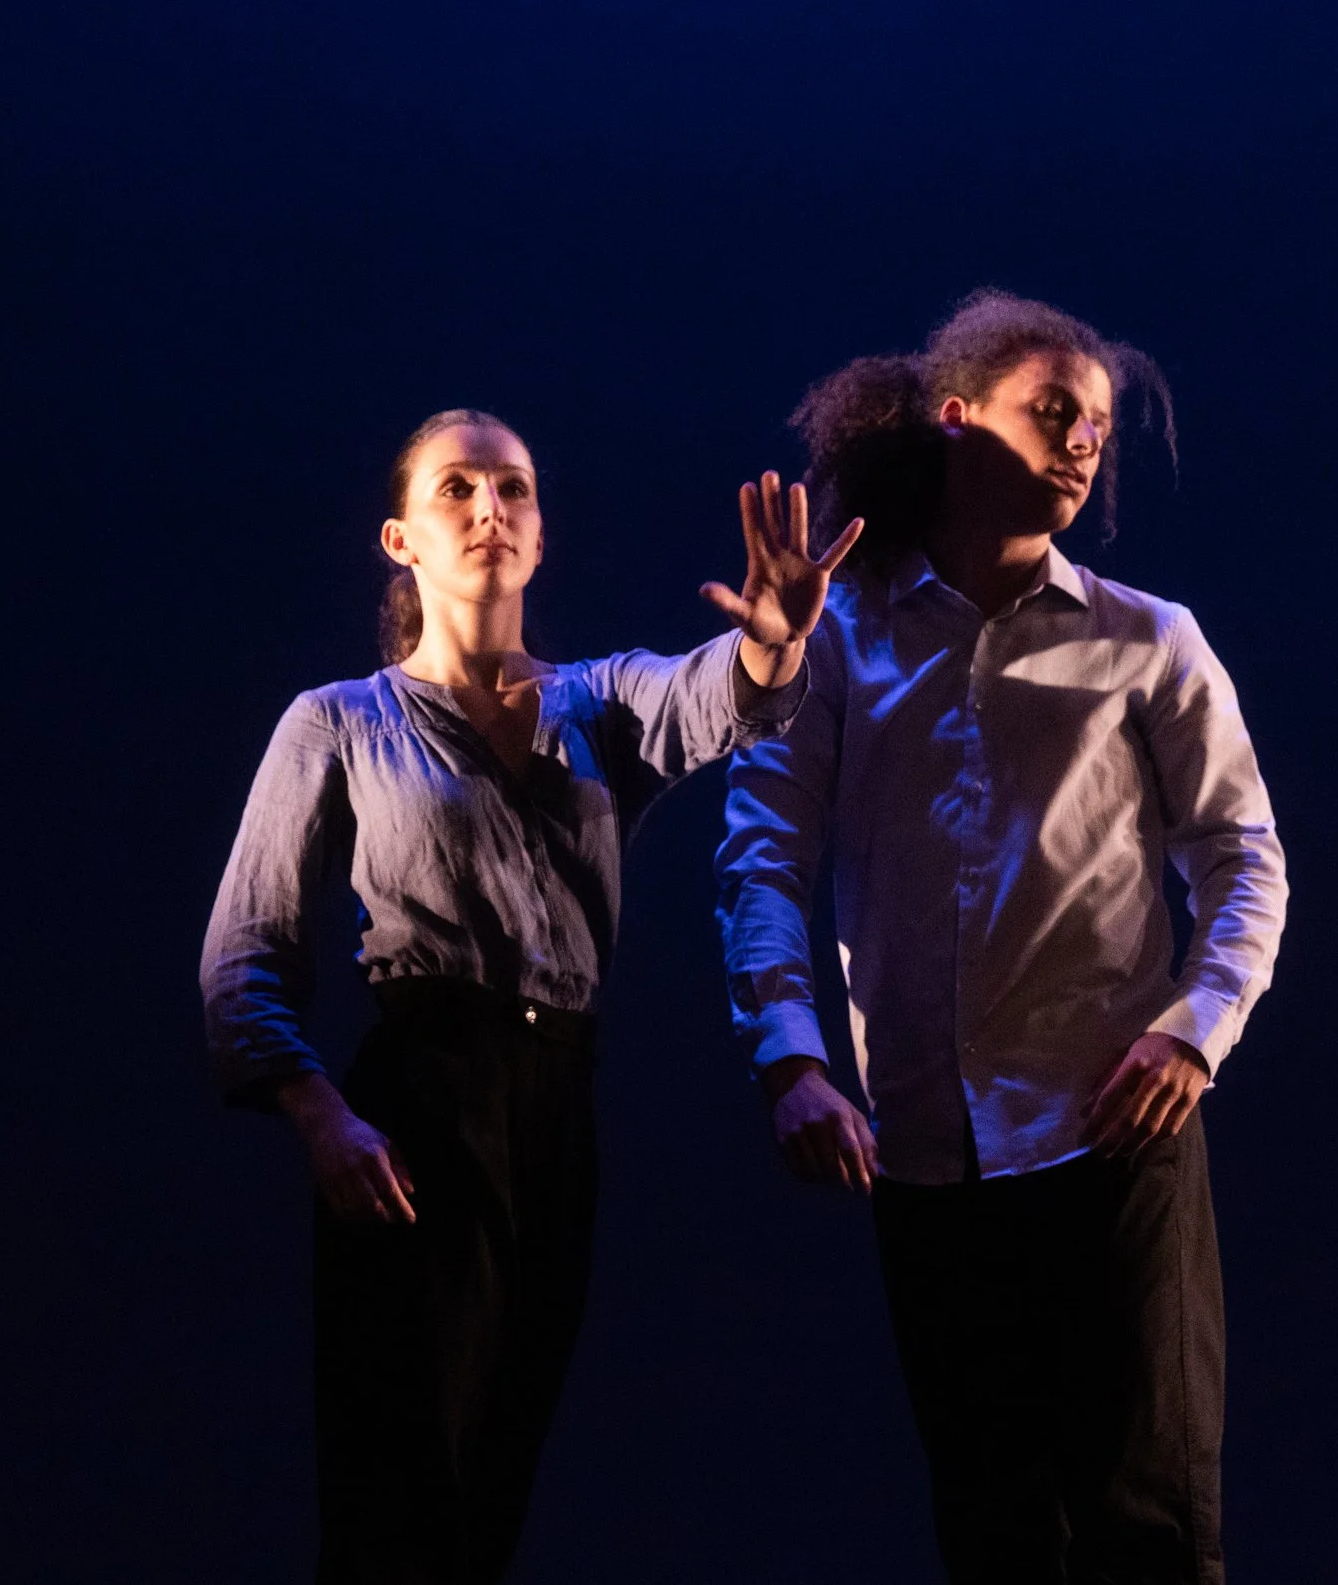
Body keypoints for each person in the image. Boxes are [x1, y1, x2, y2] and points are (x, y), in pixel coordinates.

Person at [202, 408, 861, 1584]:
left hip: (557, 1102)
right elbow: (243, 953)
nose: (488, 509)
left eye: (511, 488)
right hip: (419, 1101)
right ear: (401, 539)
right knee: (403, 1472)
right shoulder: (339, 720)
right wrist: (321, 1115)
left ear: (542, 532)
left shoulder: (597, 700)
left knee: (501, 1459)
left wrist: (769, 645)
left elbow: (709, 697)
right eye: (455, 488)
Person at [716, 292, 1288, 1584]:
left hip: (1112, 1134)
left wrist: (1195, 1032)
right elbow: (763, 848)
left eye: (1099, 423)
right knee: (991, 1530)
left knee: (1148, 1526)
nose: (1087, 438)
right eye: (1055, 409)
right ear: (958, 417)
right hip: (926, 1155)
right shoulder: (842, 637)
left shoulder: (1151, 640)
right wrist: (790, 1052)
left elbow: (1245, 859)